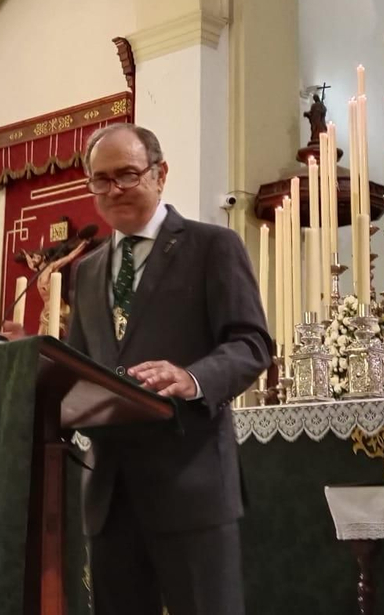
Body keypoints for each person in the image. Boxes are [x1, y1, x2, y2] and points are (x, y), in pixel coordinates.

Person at [65, 123, 273, 615]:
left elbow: (252, 343)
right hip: (110, 493)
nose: (113, 189)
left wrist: (193, 377)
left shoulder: (211, 247)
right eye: (101, 179)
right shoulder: (88, 270)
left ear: (160, 174)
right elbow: (80, 366)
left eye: (127, 174)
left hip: (191, 481)